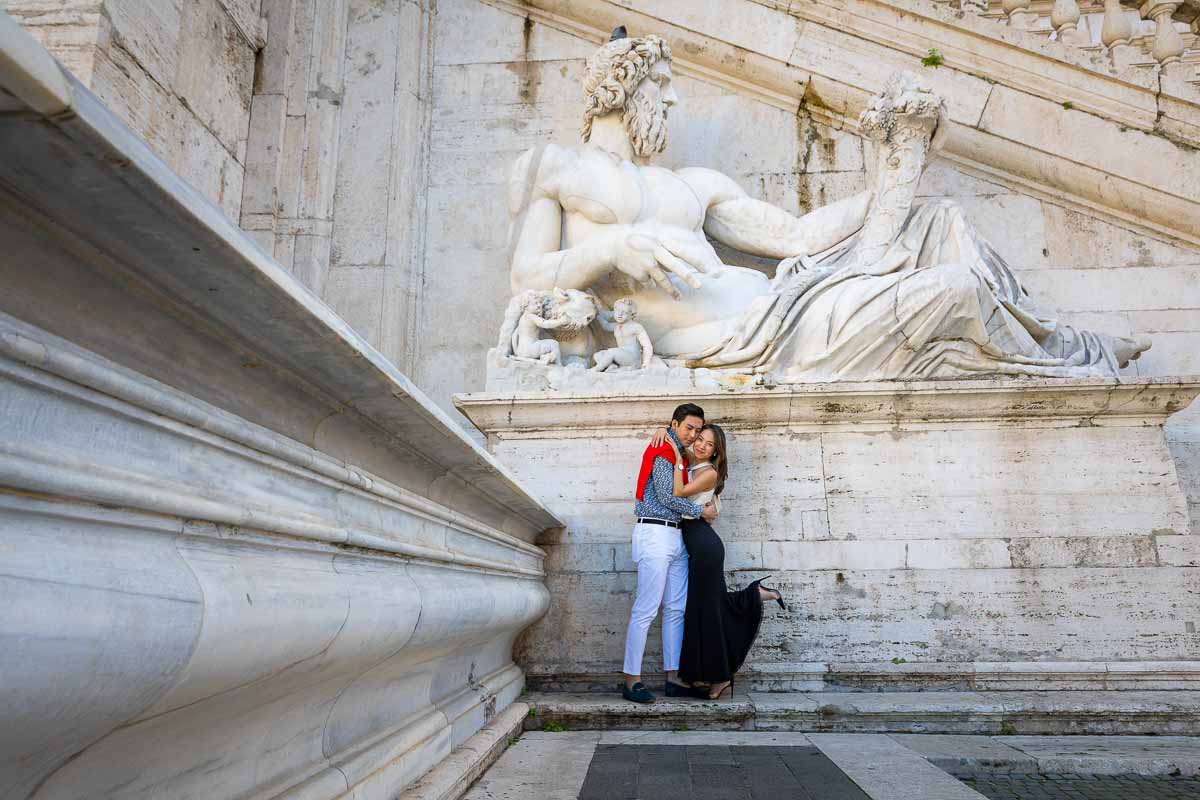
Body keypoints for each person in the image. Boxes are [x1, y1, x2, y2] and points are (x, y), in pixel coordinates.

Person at [653, 423, 785, 699]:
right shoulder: (695, 462)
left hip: (704, 545)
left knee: (709, 612)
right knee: (704, 610)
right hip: (695, 544)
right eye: (699, 439)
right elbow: (674, 437)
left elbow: (677, 493)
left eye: (708, 444)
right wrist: (663, 431)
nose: (700, 445)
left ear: (717, 452)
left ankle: (721, 677)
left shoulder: (708, 472)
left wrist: (677, 460)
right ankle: (755, 594)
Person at [622, 403, 717, 704]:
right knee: (646, 608)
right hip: (654, 533)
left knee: (676, 608)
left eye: (697, 430)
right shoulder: (664, 448)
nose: (693, 435)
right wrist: (700, 511)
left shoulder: (678, 450)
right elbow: (668, 495)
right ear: (674, 425)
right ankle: (631, 680)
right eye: (688, 428)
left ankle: (673, 677)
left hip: (675, 536)